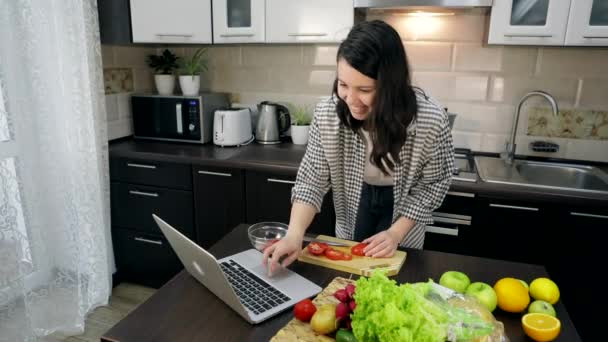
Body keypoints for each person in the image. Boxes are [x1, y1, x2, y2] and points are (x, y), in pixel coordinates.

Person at [263, 20, 454, 275]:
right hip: (354, 203)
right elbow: (312, 180)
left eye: (364, 89)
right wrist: (294, 234)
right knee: (347, 277)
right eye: (343, 85)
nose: (351, 100)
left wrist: (396, 233)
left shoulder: (430, 119)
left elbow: (433, 185)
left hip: (402, 210)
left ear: (392, 86)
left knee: (397, 278)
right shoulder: (328, 114)